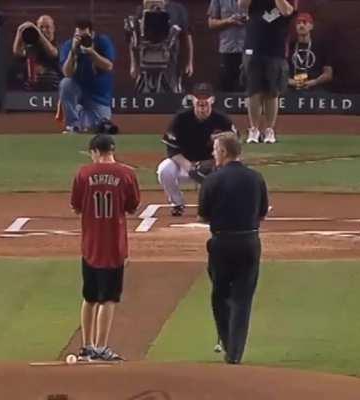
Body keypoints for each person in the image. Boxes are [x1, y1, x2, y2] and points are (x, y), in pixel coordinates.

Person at [198, 132, 268, 364]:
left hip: (221, 244)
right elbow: (262, 212)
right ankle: (235, 354)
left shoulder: (212, 180)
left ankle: (227, 343)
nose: (212, 153)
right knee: (242, 299)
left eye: (215, 149)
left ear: (224, 152)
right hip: (249, 242)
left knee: (220, 295)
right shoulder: (256, 177)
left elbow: (203, 215)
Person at [70, 134, 141, 361]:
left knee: (89, 297)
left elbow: (76, 207)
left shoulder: (83, 174)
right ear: (112, 150)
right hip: (114, 246)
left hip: (90, 245)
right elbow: (132, 206)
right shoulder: (127, 174)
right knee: (108, 298)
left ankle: (87, 346)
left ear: (94, 151)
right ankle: (101, 348)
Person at [157, 82, 237, 216]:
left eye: (205, 102)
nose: (202, 107)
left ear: (212, 100)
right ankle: (177, 203)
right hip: (184, 164)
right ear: (193, 100)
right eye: (199, 102)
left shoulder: (222, 120)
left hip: (212, 165)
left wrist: (217, 164)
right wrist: (189, 166)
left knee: (229, 173)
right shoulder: (181, 119)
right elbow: (172, 150)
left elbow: (233, 147)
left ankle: (218, 204)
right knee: (164, 170)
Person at [238, 0, 297, 144]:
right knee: (253, 92)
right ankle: (254, 129)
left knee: (272, 92)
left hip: (275, 51)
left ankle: (269, 130)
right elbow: (242, 5)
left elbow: (286, 11)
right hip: (253, 48)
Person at [59, 19, 115, 133]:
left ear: (92, 34)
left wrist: (92, 53)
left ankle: (81, 114)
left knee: (99, 127)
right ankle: (73, 124)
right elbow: (67, 73)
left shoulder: (102, 41)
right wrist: (73, 52)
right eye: (78, 36)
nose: (81, 40)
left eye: (85, 36)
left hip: (98, 97)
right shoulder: (69, 45)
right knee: (65, 83)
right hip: (78, 92)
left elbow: (108, 66)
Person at [129, 0, 194, 93]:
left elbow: (187, 36)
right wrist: (134, 64)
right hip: (146, 57)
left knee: (170, 89)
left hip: (170, 58)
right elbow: (133, 37)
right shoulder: (142, 9)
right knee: (145, 91)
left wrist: (189, 62)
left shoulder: (178, 9)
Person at [12, 15, 61, 90]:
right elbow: (18, 52)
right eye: (41, 27)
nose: (44, 30)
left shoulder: (58, 45)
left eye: (47, 27)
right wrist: (19, 31)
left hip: (53, 90)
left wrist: (38, 32)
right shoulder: (32, 46)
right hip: (31, 91)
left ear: (53, 29)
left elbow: (53, 53)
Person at [207, 0, 247, 92]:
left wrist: (255, 20)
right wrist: (228, 21)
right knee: (226, 87)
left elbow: (275, 14)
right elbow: (211, 24)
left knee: (250, 89)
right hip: (227, 50)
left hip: (250, 51)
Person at [288, 13, 333, 91]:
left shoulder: (321, 46)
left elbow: (328, 74)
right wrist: (293, 82)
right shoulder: (289, 46)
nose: (301, 25)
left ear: (311, 26)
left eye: (304, 22)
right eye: (298, 23)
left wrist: (314, 82)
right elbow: (280, 73)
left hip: (315, 87)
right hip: (292, 87)